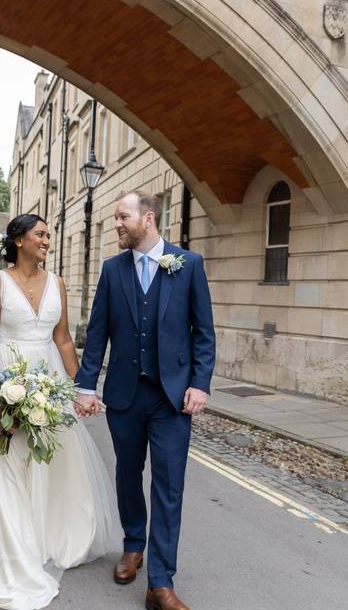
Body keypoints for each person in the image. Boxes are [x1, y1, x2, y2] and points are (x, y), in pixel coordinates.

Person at [0, 214, 120, 610]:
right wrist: (2, 397)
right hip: (5, 379)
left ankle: (44, 534)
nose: (47, 241)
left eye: (49, 236)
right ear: (19, 240)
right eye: (40, 234)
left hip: (49, 381)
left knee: (51, 462)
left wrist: (81, 388)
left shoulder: (58, 283)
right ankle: (11, 547)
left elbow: (64, 339)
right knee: (6, 463)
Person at [75, 191, 216, 610]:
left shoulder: (188, 265)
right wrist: (86, 385)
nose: (117, 224)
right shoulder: (112, 270)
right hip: (124, 393)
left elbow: (203, 334)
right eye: (115, 218)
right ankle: (133, 544)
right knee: (127, 474)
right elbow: (97, 332)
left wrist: (200, 383)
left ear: (148, 218)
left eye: (123, 217)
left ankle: (160, 582)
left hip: (172, 397)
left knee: (169, 486)